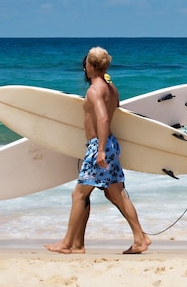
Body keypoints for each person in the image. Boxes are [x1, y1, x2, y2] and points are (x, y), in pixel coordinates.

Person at [44, 47, 150, 254]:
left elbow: (102, 118)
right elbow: (116, 107)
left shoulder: (94, 90)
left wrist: (100, 149)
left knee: (78, 195)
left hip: (99, 146)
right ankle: (140, 238)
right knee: (117, 194)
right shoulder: (111, 88)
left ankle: (67, 244)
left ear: (90, 66)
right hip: (111, 144)